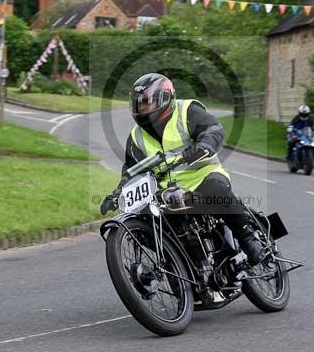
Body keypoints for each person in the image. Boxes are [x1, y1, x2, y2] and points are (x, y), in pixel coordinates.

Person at [101, 73, 267, 265]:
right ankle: (179, 265)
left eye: (146, 102)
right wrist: (118, 193)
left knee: (214, 190)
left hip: (203, 177)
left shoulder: (187, 111)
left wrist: (203, 144)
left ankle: (249, 238)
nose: (142, 108)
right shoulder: (135, 137)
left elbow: (213, 130)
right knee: (148, 221)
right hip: (168, 193)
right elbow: (131, 171)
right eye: (138, 104)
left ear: (164, 98)